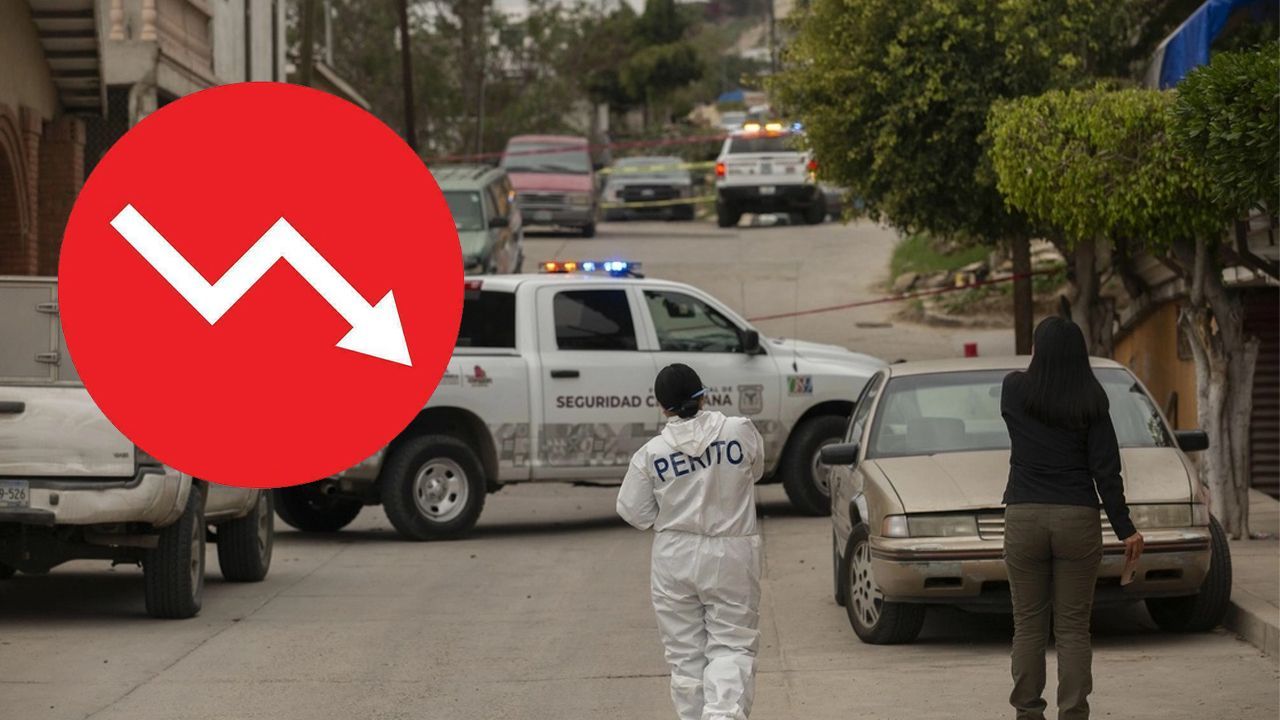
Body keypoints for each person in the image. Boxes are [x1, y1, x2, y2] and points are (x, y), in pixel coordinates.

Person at [1000, 316, 1145, 720]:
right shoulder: (1092, 399)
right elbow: (1106, 470)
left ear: (1038, 351)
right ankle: (1074, 713)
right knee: (1073, 628)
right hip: (1077, 518)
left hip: (1025, 515)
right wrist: (1125, 528)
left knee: (1028, 625)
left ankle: (1028, 712)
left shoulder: (1014, 390)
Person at [617, 363, 765, 720]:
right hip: (731, 551)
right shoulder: (739, 430)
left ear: (662, 406)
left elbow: (632, 511)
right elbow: (756, 471)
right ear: (703, 396)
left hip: (674, 556)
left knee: (685, 658)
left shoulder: (651, 454)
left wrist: (673, 513)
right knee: (731, 645)